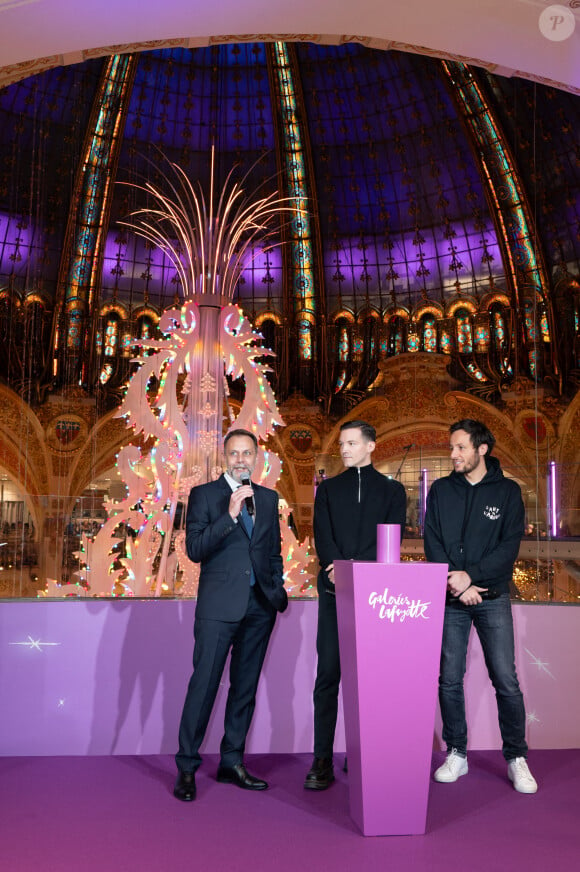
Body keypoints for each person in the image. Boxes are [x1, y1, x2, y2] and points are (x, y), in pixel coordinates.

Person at [423, 418, 537, 794]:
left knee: (506, 680)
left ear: (481, 449)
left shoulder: (507, 493)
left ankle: (516, 758)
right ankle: (457, 752)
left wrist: (470, 578)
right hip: (452, 599)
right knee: (449, 679)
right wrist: (457, 585)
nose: (452, 454)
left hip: (493, 597)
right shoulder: (440, 490)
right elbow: (433, 541)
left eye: (460, 447)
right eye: (451, 447)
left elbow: (508, 550)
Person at [174, 428, 288, 802]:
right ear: (225, 458)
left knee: (245, 689)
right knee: (204, 686)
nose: (241, 460)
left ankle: (231, 761)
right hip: (218, 609)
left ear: (257, 458)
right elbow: (194, 549)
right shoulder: (205, 495)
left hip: (259, 608)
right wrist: (230, 514)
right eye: (234, 454)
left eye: (247, 454)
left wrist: (276, 588)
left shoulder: (269, 499)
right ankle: (187, 767)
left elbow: (272, 550)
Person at [304, 420, 407, 790]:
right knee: (328, 673)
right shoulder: (328, 490)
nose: (344, 449)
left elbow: (393, 536)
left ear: (371, 446)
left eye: (351, 443)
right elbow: (322, 534)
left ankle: (365, 753)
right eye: (342, 444)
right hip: (334, 591)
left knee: (372, 679)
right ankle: (321, 758)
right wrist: (337, 568)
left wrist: (361, 572)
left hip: (377, 595)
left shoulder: (393, 491)